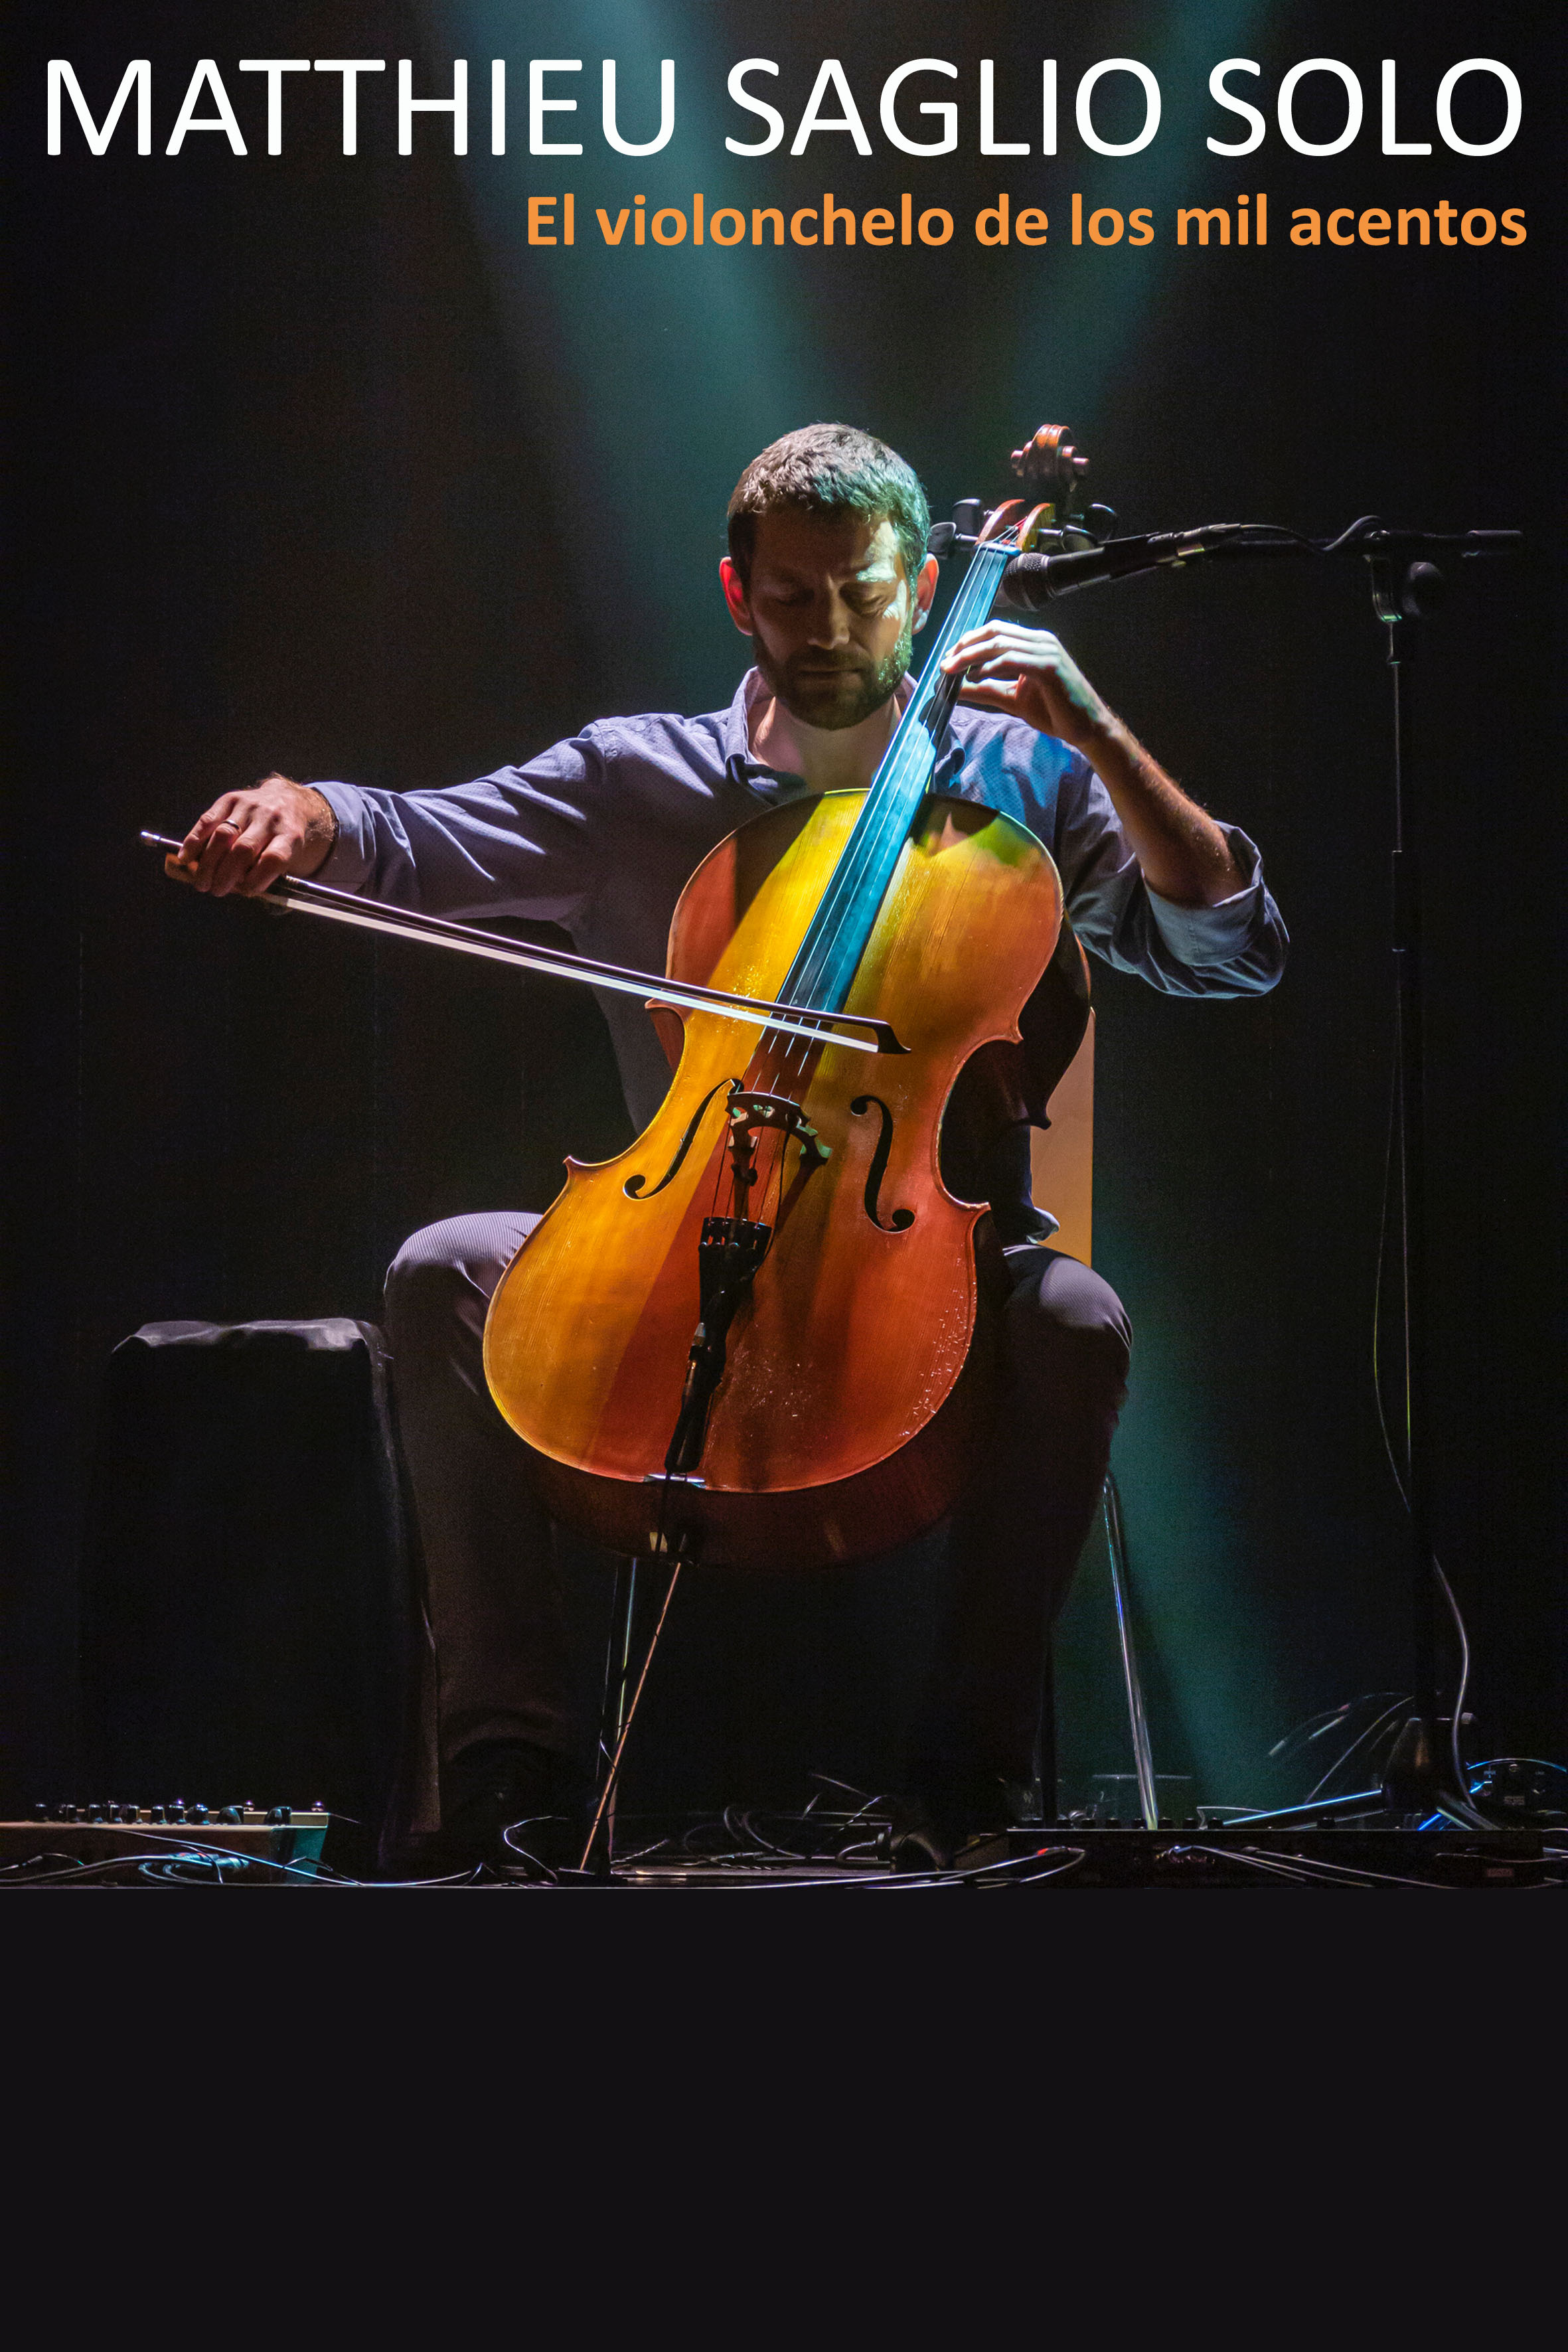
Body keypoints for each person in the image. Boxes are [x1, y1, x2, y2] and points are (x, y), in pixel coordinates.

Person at [171, 424, 1287, 1869]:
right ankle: (510, 1766)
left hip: (922, 1253)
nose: (830, 628)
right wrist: (300, 807)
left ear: (921, 584)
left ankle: (969, 1777)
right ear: (733, 593)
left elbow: (1225, 950)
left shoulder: (1016, 777)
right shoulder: (637, 777)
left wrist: (1098, 731)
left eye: (865, 595)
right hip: (677, 1224)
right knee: (446, 1268)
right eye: (793, 597)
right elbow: (409, 838)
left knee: (1073, 1313)